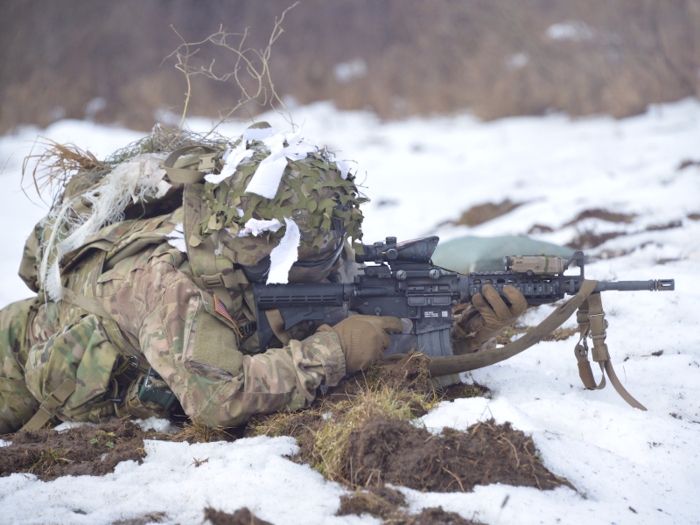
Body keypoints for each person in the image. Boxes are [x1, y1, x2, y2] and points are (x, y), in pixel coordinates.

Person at [0, 124, 526, 434]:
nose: (327, 264)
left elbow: (359, 324)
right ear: (268, 247)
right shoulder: (171, 280)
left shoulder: (293, 252)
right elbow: (216, 401)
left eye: (328, 248)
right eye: (310, 255)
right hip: (19, 360)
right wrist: (334, 352)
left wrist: (461, 333)